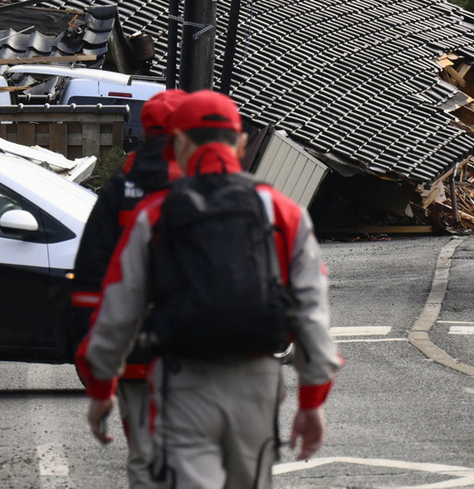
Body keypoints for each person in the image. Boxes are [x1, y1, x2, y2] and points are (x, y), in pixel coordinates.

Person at [77, 90, 341, 488]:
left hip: (182, 380)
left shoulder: (155, 214)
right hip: (257, 381)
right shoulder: (282, 210)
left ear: (179, 143)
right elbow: (311, 312)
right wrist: (312, 400)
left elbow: (118, 309)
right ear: (239, 143)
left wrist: (101, 386)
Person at [71, 88, 185, 489]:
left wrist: (98, 364)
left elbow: (90, 281)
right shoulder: (212, 189)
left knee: (144, 456)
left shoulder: (120, 191)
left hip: (135, 351)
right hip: (201, 353)